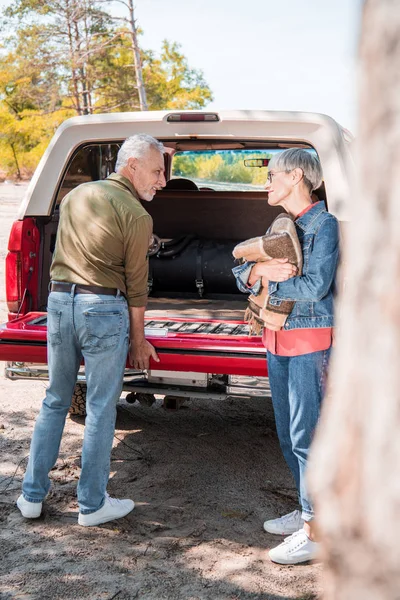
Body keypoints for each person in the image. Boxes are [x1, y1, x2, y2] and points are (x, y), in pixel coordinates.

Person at [17, 133, 165, 527]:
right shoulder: (137, 215)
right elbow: (136, 285)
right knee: (100, 408)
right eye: (157, 171)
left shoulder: (75, 197)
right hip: (103, 309)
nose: (161, 181)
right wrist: (139, 339)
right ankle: (92, 504)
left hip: (59, 304)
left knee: (54, 399)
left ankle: (30, 496)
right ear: (131, 166)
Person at [233, 148, 339, 565]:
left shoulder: (323, 224)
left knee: (306, 437)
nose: (267, 182)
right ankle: (307, 510)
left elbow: (315, 286)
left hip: (309, 341)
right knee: (285, 433)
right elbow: (243, 271)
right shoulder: (284, 225)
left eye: (272, 175)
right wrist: (258, 274)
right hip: (277, 340)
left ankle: (316, 530)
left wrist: (268, 284)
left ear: (296, 176)